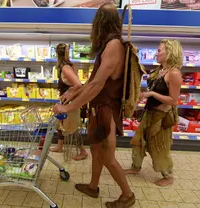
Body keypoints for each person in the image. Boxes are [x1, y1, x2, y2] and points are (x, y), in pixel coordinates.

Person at [53, 3, 135, 207]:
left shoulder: (114, 45)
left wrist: (67, 108)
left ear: (99, 23)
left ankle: (127, 195)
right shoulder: (110, 45)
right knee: (97, 152)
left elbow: (97, 85)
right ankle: (93, 186)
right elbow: (93, 82)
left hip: (106, 111)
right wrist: (75, 91)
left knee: (107, 157)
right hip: (99, 111)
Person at [124, 39, 183, 187]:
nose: (156, 53)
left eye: (159, 50)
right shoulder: (159, 71)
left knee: (159, 147)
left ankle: (168, 175)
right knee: (138, 141)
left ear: (169, 52)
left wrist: (151, 94)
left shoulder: (174, 73)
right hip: (149, 113)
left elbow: (173, 100)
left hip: (161, 117)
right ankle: (135, 167)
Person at [50, 43, 88, 161]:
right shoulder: (64, 66)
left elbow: (78, 84)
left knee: (72, 128)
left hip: (70, 103)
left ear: (57, 54)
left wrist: (68, 93)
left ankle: (83, 151)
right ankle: (60, 146)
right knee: (60, 124)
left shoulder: (65, 68)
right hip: (65, 102)